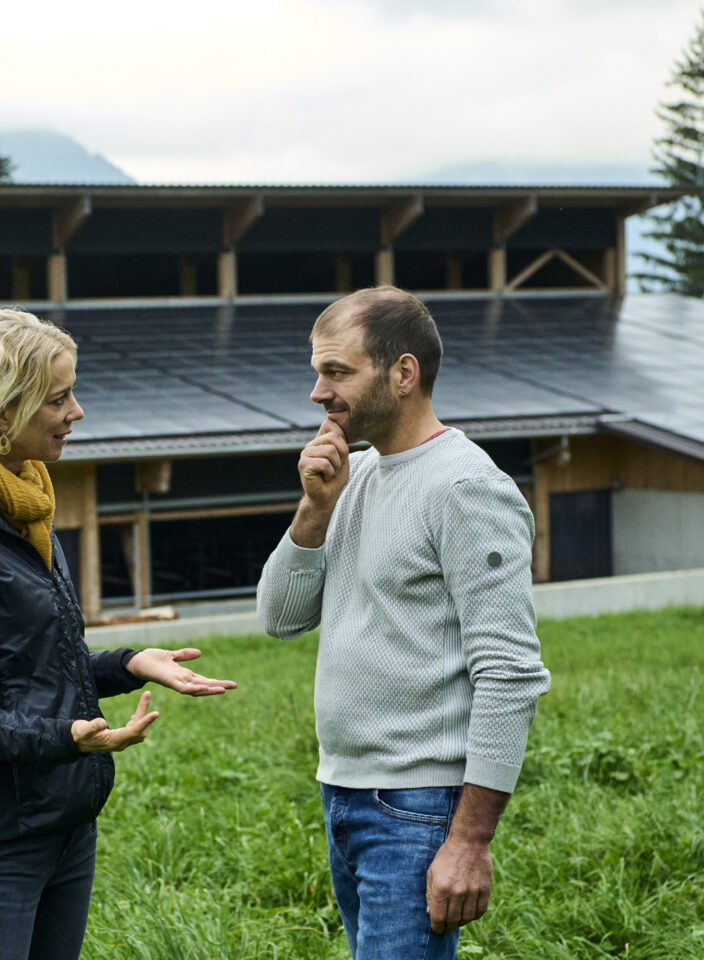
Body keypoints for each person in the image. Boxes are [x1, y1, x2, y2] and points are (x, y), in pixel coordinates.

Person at [0, 307, 236, 960]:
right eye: (58, 398)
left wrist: (129, 663)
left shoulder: (24, 505)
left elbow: (26, 669)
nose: (76, 412)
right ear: (1, 412)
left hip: (62, 818)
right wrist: (63, 738)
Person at [256, 286, 550, 960]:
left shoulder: (465, 487)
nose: (318, 393)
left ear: (403, 373)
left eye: (337, 372)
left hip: (416, 808)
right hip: (343, 792)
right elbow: (279, 618)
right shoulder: (352, 476)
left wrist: (469, 840)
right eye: (318, 372)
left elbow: (510, 673)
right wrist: (314, 510)